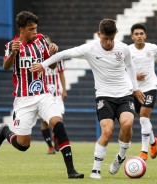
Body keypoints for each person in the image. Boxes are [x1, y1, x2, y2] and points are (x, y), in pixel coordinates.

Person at [30, 19, 145, 179]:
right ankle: (96, 169)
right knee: (107, 130)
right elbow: (64, 54)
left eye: (112, 38)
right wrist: (43, 65)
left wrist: (135, 88)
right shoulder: (90, 48)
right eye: (106, 38)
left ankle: (120, 157)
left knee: (127, 124)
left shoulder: (123, 49)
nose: (109, 42)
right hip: (104, 96)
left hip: (124, 94)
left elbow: (131, 67)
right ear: (99, 35)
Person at [0, 11, 84, 179]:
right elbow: (6, 67)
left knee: (58, 123)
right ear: (22, 29)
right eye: (31, 29)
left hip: (43, 94)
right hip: (23, 99)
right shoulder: (11, 45)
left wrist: (54, 52)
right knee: (23, 145)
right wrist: (13, 53)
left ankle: (71, 170)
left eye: (36, 28)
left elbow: (54, 66)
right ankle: (6, 131)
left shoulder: (41, 41)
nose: (35, 32)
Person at [129, 23, 157, 161]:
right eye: (136, 34)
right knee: (142, 119)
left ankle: (143, 151)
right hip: (135, 89)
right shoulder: (128, 51)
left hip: (150, 86)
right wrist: (135, 77)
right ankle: (153, 142)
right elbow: (122, 70)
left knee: (144, 118)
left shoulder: (152, 48)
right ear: (132, 37)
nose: (139, 36)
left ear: (145, 35)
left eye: (141, 34)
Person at [40, 35, 67, 154]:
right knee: (44, 121)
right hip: (43, 94)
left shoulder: (57, 57)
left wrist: (64, 89)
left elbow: (61, 73)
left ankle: (56, 137)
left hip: (56, 94)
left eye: (47, 42)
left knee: (59, 118)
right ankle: (50, 147)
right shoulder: (37, 56)